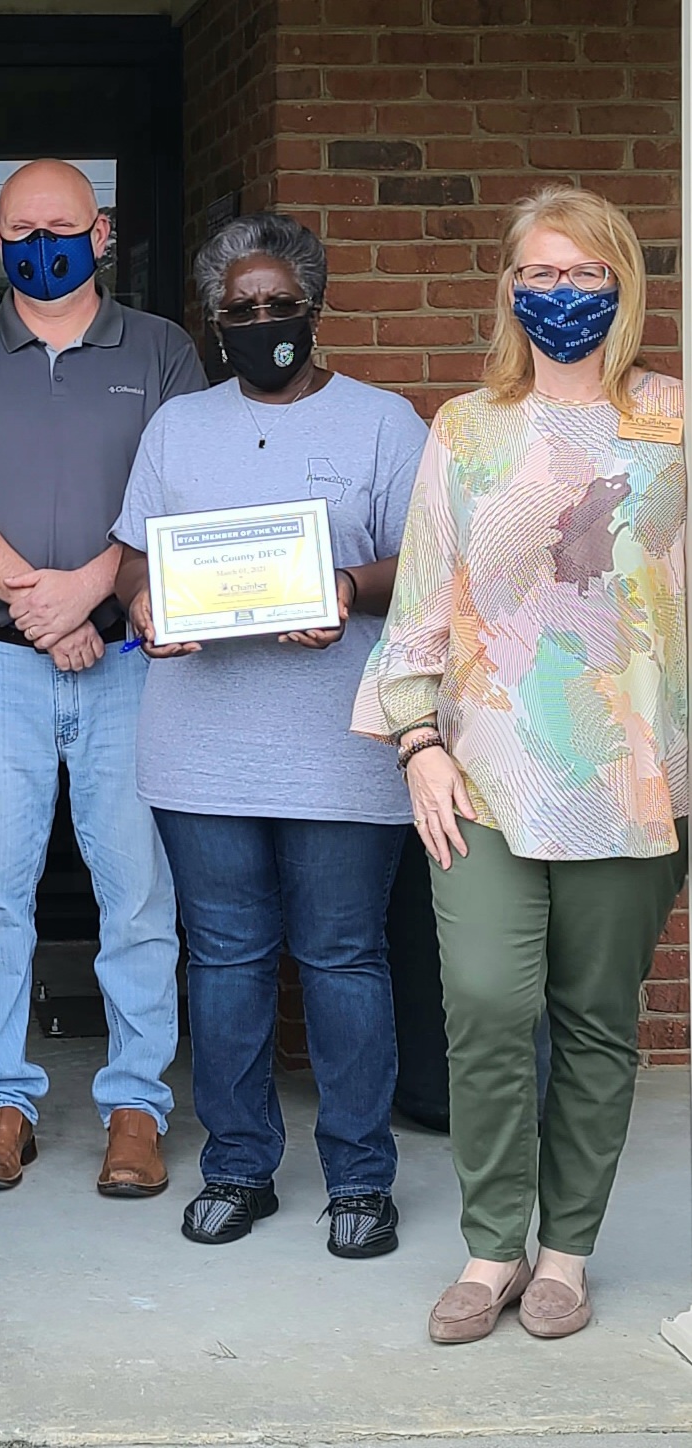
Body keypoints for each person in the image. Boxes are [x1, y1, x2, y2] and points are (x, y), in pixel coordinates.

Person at [354, 185, 688, 1345]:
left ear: (622, 286)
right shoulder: (465, 427)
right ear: (507, 288)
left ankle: (563, 1254)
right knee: (488, 1003)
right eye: (539, 273)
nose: (561, 293)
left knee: (594, 1018)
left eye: (585, 273)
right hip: (484, 772)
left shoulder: (672, 419)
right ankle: (491, 1244)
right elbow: (420, 599)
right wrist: (414, 743)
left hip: (631, 773)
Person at [110, 213, 426, 1256]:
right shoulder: (177, 427)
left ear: (313, 305)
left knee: (341, 958)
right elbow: (132, 558)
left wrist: (345, 585)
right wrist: (144, 602)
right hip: (198, 748)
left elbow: (431, 564)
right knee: (225, 961)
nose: (260, 321)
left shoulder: (382, 423)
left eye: (278, 303)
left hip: (341, 744)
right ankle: (237, 1165)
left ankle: (359, 1179)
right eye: (238, 308)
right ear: (213, 320)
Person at [0, 159, 205, 1196]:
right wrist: (42, 604)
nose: (41, 246)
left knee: (139, 895)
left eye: (60, 228)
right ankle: (0, 1102)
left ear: (100, 232)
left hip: (126, 664)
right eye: (20, 231)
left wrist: (87, 592)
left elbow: (180, 497)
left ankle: (135, 1107)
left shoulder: (160, 349)